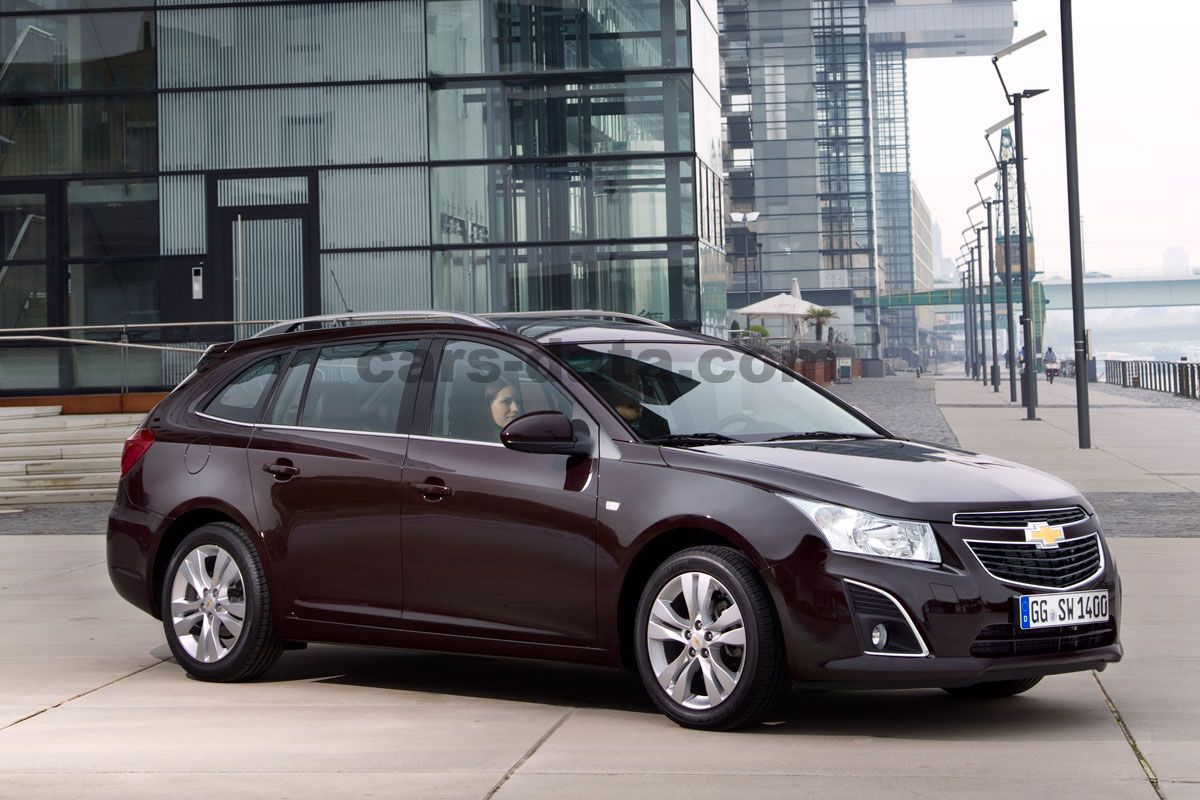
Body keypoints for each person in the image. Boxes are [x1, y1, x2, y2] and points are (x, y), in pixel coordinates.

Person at [585, 359, 670, 439]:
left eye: (640, 388)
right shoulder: (590, 437)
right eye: (628, 390)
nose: (639, 397)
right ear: (604, 394)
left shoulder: (654, 435)